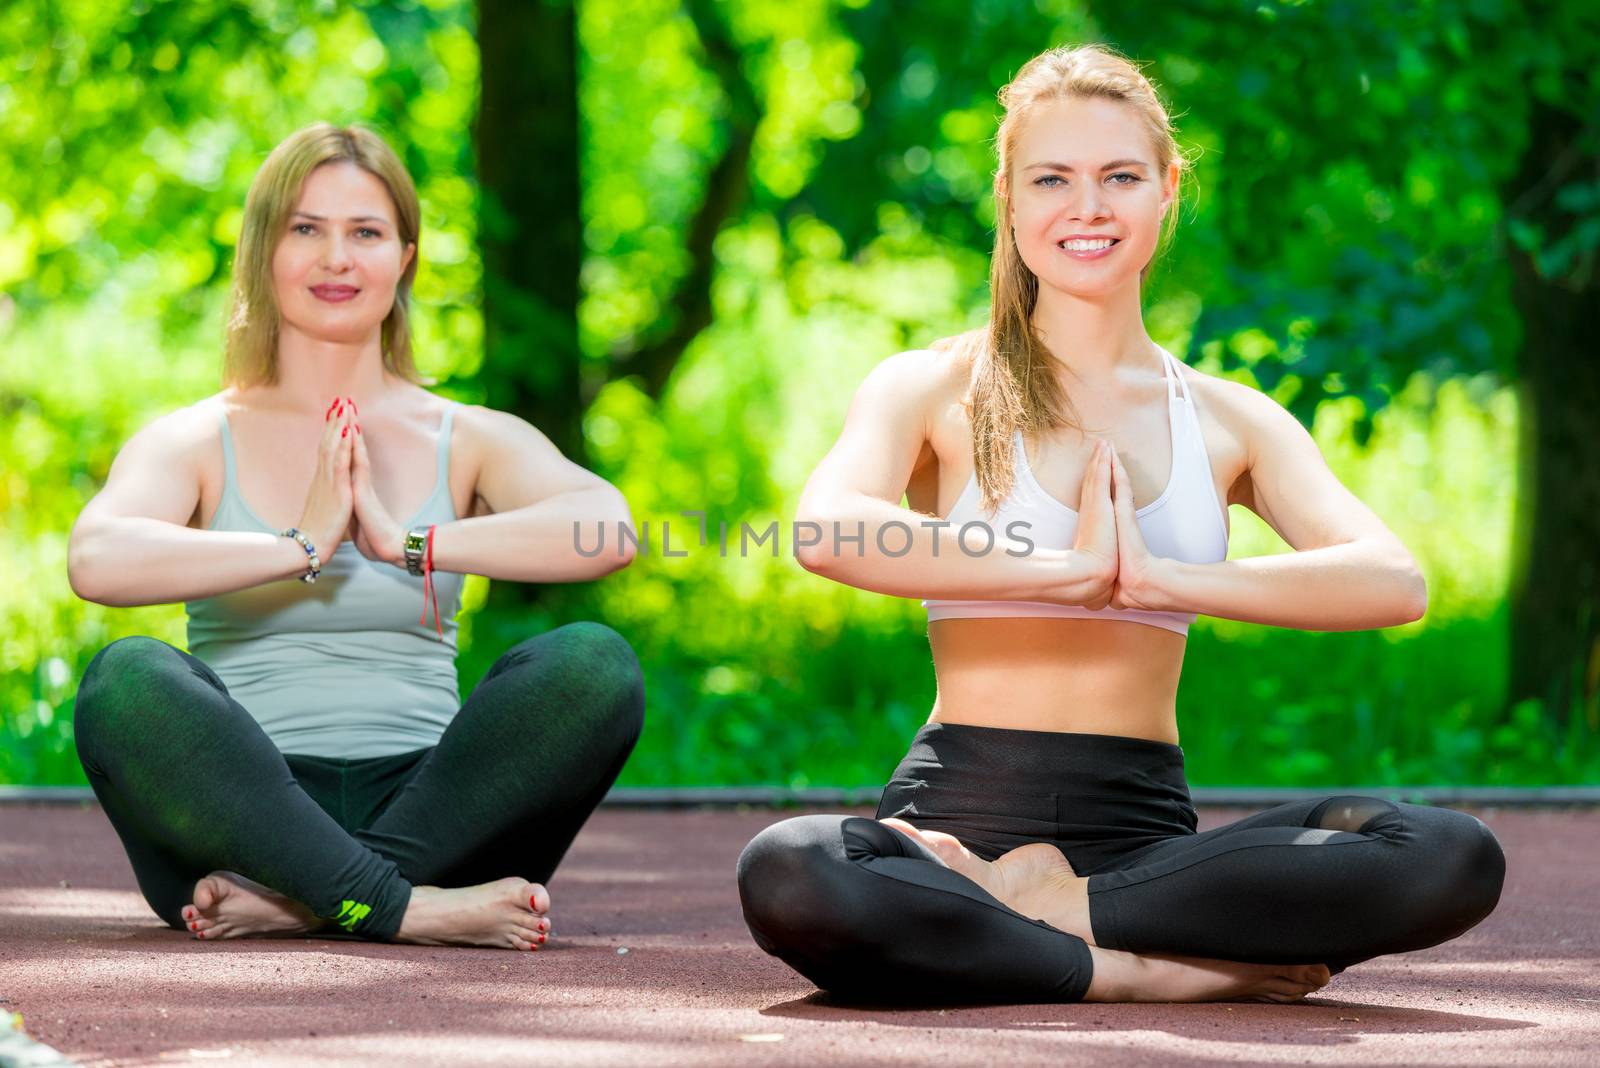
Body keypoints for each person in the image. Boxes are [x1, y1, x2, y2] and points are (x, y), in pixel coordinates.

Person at [735, 44, 1504, 1004]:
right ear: (1009, 199)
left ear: (1167, 190)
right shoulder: (933, 385)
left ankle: (1061, 916)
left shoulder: (1230, 418)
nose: (1087, 207)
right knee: (791, 868)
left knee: (1449, 854)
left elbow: (1395, 581)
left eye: (1120, 178)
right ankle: (1139, 973)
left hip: (1141, 844)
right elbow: (826, 529)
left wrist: (1159, 582)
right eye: (1051, 178)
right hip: (952, 821)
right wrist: (1062, 570)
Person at [67, 123, 645, 951]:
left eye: (365, 232)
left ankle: (317, 900)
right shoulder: (194, 439)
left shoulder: (468, 435)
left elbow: (608, 531)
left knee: (594, 663)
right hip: (243, 820)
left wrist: (410, 544)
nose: (336, 257)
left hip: (438, 812)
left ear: (404, 257)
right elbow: (95, 558)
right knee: (124, 680)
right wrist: (299, 543)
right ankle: (403, 907)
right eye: (307, 229)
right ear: (265, 249)